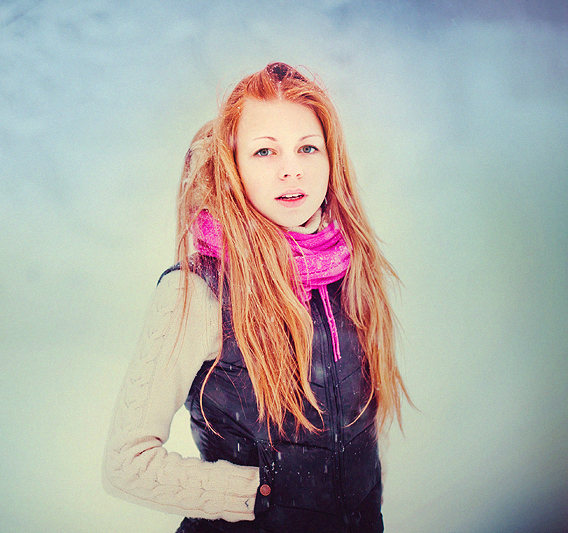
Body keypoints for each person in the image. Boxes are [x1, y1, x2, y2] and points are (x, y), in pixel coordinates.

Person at [103, 62, 409, 533]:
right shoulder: (197, 290)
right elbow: (127, 464)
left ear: (331, 160)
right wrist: (261, 495)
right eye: (265, 151)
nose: (292, 169)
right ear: (234, 168)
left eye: (307, 147)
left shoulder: (351, 270)